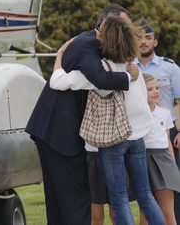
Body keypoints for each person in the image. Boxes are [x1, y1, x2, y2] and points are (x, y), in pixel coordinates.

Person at [25, 4, 139, 225]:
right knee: (76, 198)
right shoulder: (87, 45)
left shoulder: (92, 45)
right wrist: (128, 76)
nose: (127, 32)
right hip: (60, 133)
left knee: (60, 200)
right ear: (107, 25)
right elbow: (102, 81)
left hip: (50, 129)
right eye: (124, 27)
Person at [49, 15, 166, 225]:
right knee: (145, 195)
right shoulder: (133, 66)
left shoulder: (99, 69)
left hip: (113, 138)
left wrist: (59, 56)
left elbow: (58, 82)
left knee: (119, 199)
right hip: (138, 137)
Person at [135, 19, 180, 223]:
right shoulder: (129, 68)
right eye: (139, 38)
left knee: (170, 192)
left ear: (155, 42)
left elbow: (178, 100)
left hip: (169, 133)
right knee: (146, 198)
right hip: (141, 136)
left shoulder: (169, 68)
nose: (144, 42)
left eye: (148, 38)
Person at [139, 73, 180, 225]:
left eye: (157, 88)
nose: (155, 91)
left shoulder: (165, 113)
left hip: (164, 162)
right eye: (150, 89)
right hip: (144, 160)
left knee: (168, 212)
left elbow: (167, 140)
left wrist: (172, 165)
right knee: (145, 213)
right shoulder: (138, 114)